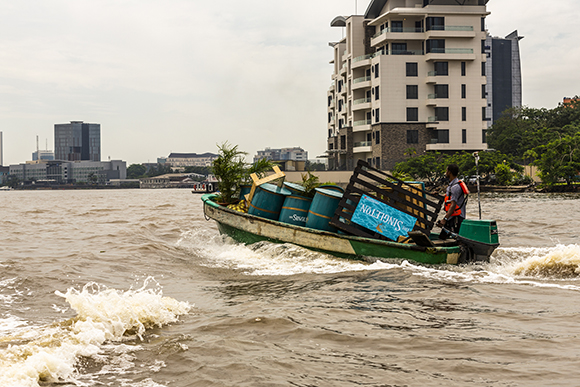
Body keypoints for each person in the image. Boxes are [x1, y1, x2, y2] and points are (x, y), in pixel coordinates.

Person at [437, 163, 469, 239]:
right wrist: (437, 195)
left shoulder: (455, 187)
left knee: (449, 238)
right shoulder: (451, 185)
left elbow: (453, 204)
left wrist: (445, 219)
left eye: (446, 171)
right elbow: (449, 199)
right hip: (452, 217)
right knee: (444, 237)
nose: (446, 172)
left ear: (449, 172)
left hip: (456, 218)